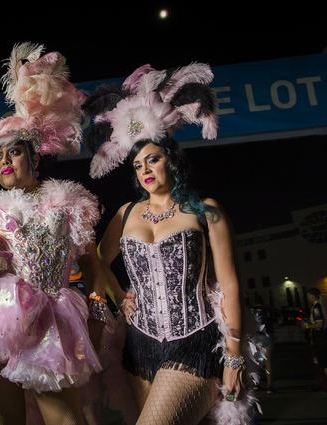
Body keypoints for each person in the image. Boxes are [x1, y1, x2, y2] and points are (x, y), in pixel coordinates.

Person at [0, 42, 109, 425]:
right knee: (7, 420)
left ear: (35, 156)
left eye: (13, 152)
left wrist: (96, 311)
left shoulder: (69, 201)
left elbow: (93, 266)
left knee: (66, 419)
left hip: (54, 320)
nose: (5, 162)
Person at [82, 63, 262, 424]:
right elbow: (97, 261)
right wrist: (119, 297)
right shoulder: (126, 214)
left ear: (172, 161)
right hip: (138, 349)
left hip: (195, 343)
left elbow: (230, 285)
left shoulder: (205, 210)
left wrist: (234, 356)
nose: (145, 170)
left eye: (153, 159)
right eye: (137, 165)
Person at [305, 287, 327, 385]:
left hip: (320, 336)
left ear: (312, 296)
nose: (307, 296)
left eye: (308, 294)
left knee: (324, 362)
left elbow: (319, 324)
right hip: (322, 335)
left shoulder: (316, 307)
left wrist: (307, 326)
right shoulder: (319, 306)